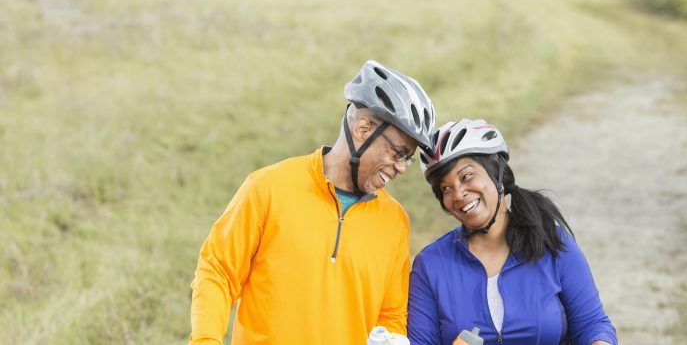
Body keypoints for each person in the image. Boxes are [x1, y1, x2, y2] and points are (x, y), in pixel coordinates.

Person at [189, 60, 436, 344]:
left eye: (408, 158)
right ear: (364, 128)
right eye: (398, 153)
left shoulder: (395, 222)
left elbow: (390, 316)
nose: (402, 167)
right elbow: (217, 271)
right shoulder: (268, 189)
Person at [408, 119, 617, 345]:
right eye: (446, 188)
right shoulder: (430, 266)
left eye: (466, 176)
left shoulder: (552, 242)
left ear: (496, 172)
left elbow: (593, 325)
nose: (458, 194)